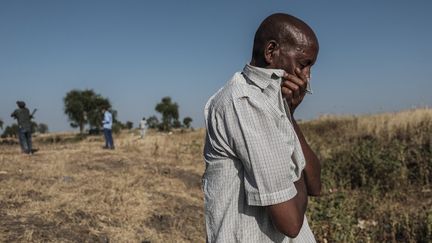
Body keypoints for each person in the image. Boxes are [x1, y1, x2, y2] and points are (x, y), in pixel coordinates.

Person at [203, 13, 321, 242]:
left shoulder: (271, 103)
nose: (306, 77)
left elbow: (315, 185)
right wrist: (295, 175)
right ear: (271, 51)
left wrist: (289, 115)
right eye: (303, 64)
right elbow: (291, 222)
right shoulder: (244, 102)